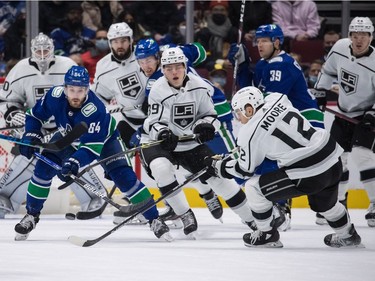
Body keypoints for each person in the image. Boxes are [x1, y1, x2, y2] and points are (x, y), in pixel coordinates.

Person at [13, 66, 172, 242]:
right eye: (71, 90)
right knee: (42, 170)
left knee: (124, 178)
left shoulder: (95, 109)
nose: (75, 94)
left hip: (105, 141)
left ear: (87, 89)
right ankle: (31, 216)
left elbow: (90, 148)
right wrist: (31, 134)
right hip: (69, 137)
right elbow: (34, 116)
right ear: (65, 88)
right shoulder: (54, 96)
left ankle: (154, 219)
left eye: (80, 90)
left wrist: (73, 163)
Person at [204, 86, 363, 248]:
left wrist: (220, 166)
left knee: (253, 187)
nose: (238, 119)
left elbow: (244, 170)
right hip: (331, 157)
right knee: (325, 204)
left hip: (309, 172)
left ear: (249, 109)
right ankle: (348, 235)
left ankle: (267, 235)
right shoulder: (277, 98)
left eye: (238, 113)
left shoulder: (249, 133)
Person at [139, 47, 262, 238]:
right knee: (161, 168)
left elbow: (210, 115)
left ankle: (253, 219)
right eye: (169, 68)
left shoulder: (200, 86)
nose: (174, 72)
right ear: (162, 69)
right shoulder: (157, 89)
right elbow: (154, 122)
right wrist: (163, 132)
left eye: (178, 67)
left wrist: (206, 126)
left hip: (187, 141)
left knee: (218, 176)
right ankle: (184, 213)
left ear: (185, 67)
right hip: (158, 141)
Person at [0, 33, 106, 219]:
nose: (42, 54)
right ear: (32, 51)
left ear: (53, 49)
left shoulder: (67, 65)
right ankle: (5, 198)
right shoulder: (20, 69)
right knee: (27, 158)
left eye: (46, 50)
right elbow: (7, 100)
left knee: (72, 159)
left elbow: (86, 95)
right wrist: (12, 114)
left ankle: (93, 198)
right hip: (36, 124)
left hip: (66, 125)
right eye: (38, 51)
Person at [228, 24, 325, 224]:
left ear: (277, 42)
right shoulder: (266, 63)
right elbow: (251, 93)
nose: (259, 45)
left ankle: (285, 207)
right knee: (276, 161)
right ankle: (285, 205)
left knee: (283, 162)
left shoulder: (281, 64)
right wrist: (243, 65)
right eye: (258, 41)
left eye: (264, 40)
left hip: (306, 119)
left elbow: (266, 101)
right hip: (287, 119)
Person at [315, 17, 375, 228]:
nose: (359, 40)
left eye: (364, 36)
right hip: (343, 113)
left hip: (367, 115)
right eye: (355, 35)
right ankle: (337, 204)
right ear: (349, 36)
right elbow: (328, 70)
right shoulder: (340, 47)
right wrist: (321, 91)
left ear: (371, 37)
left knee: (363, 156)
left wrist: (372, 115)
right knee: (336, 160)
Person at [92, 22, 148, 148]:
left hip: (156, 119)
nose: (120, 45)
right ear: (110, 43)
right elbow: (99, 97)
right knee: (118, 154)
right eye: (115, 42)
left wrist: (154, 98)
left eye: (123, 41)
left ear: (131, 40)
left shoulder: (144, 54)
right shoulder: (103, 66)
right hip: (129, 121)